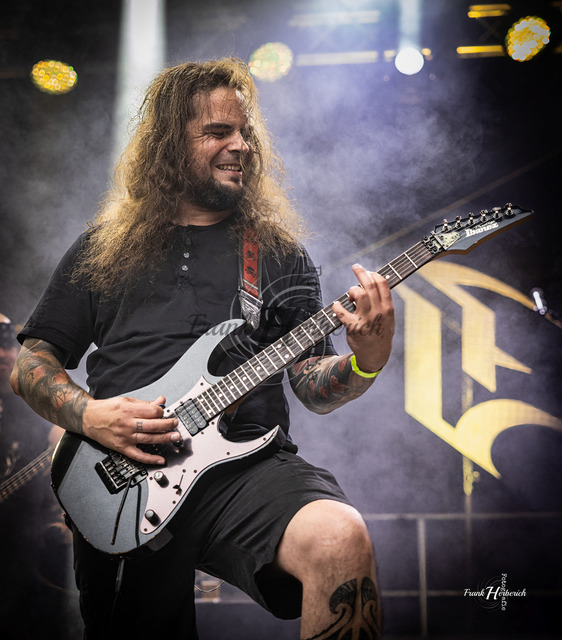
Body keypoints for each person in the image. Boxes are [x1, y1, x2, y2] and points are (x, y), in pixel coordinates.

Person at [10, 58, 395, 639]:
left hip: (246, 469)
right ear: (169, 146)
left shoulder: (278, 254)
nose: (241, 145)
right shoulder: (103, 250)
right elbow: (31, 364)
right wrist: (90, 415)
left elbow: (312, 386)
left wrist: (367, 359)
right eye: (218, 132)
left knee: (341, 538)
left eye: (245, 132)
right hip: (128, 477)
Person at [1, 316, 68, 639]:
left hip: (32, 549)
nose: (2, 354)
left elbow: (61, 437)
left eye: (6, 345)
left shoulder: (35, 401)